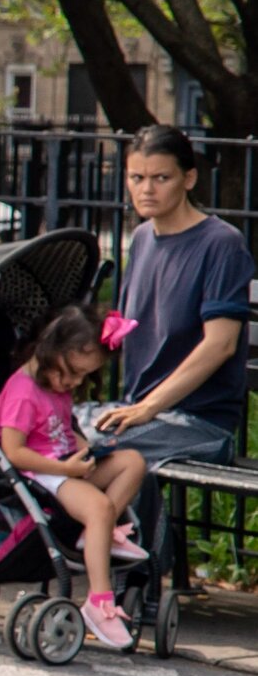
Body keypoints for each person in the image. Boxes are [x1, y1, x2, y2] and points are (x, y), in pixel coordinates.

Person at [89, 125, 253, 470]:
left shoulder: (221, 243)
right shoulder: (142, 238)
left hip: (199, 422)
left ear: (189, 179)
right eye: (136, 177)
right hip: (140, 413)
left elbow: (220, 344)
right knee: (47, 434)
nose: (146, 189)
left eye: (161, 177)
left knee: (88, 451)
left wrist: (148, 407)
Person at [0, 304, 149, 647]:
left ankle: (98, 534)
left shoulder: (55, 384)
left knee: (133, 461)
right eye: (72, 374)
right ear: (53, 352)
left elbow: (64, 428)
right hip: (42, 471)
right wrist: (66, 468)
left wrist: (88, 450)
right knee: (99, 508)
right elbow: (14, 452)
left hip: (66, 463)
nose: (75, 383)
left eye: (82, 376)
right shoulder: (23, 393)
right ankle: (99, 601)